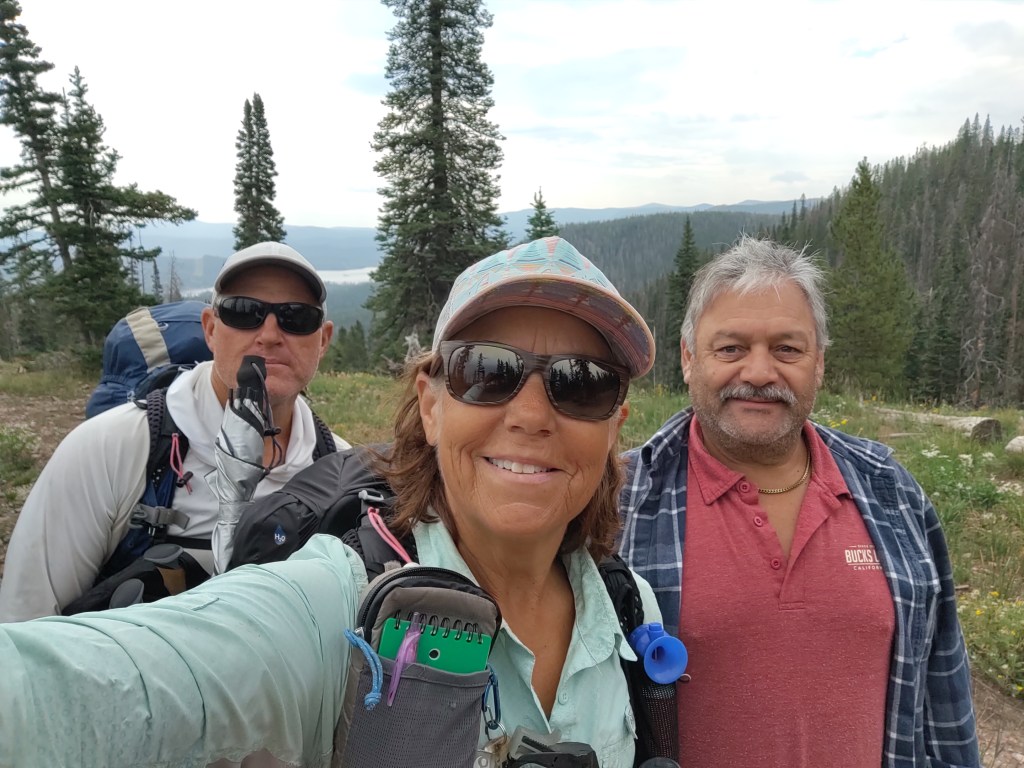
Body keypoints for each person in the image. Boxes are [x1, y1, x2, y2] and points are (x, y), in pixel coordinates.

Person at [0, 236, 663, 768]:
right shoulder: (342, 603)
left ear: (616, 426)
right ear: (431, 406)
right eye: (486, 371)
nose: (532, 415)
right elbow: (113, 683)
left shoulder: (628, 607)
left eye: (582, 384)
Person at [618, 236, 980, 768]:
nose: (759, 373)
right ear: (689, 358)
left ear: (819, 363)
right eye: (730, 349)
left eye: (787, 349)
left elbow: (944, 694)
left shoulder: (890, 490)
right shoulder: (622, 499)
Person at [0, 241, 348, 621]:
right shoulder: (112, 447)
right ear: (211, 329)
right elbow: (25, 621)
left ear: (323, 340)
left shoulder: (339, 470)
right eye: (243, 311)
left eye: (296, 317)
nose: (269, 334)